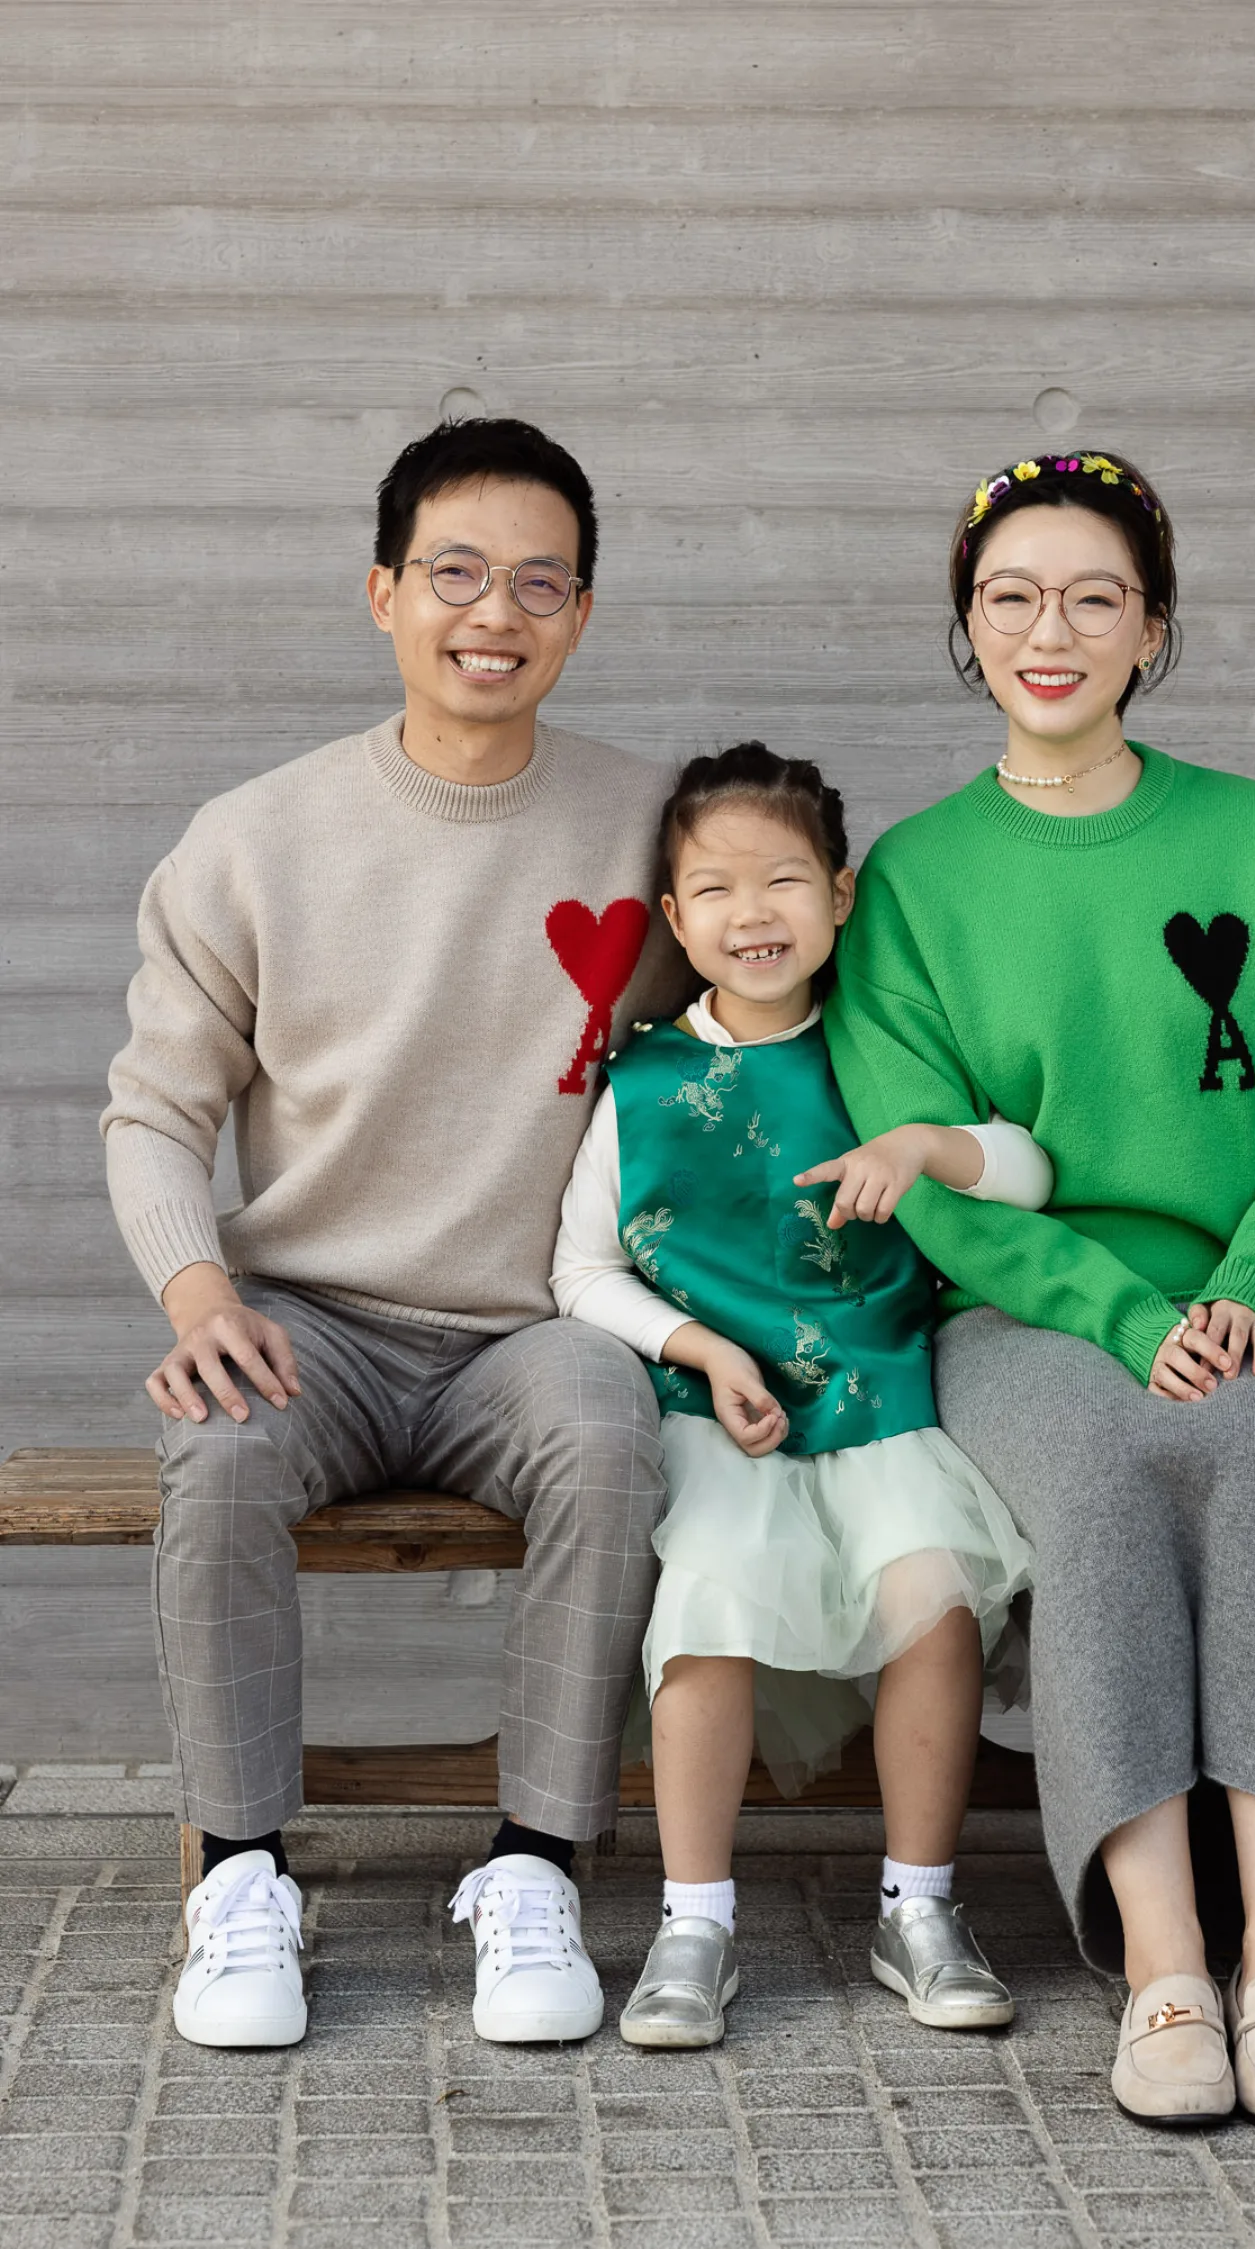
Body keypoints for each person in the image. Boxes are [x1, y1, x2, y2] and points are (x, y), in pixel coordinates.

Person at [101, 417, 686, 2050]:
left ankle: (538, 1870)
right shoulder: (252, 838)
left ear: (582, 614)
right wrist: (197, 1285)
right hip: (316, 1319)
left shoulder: (656, 825)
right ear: (382, 593)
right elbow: (156, 1105)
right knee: (216, 1452)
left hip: (543, 1318)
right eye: (454, 572)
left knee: (606, 1428)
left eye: (539, 582)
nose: (492, 611)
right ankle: (239, 1879)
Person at [824, 452, 1255, 2126]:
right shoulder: (916, 881)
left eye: (1091, 598)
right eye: (1009, 599)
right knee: (1106, 1466)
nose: (1047, 632)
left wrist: (1250, 1287)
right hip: (1026, 1322)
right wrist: (1133, 1323)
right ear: (967, 630)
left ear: (1153, 628)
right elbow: (930, 1174)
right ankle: (1161, 1969)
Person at [551, 742, 1046, 2048]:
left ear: (840, 893)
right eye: (714, 889)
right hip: (724, 1418)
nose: (751, 914)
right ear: (673, 917)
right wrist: (694, 1350)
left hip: (884, 1403)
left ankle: (918, 1906)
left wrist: (929, 1145)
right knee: (705, 1603)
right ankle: (695, 1919)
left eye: (783, 881)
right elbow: (578, 1269)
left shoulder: (887, 1060)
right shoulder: (645, 1080)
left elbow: (1030, 1168)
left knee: (931, 1597)